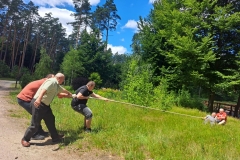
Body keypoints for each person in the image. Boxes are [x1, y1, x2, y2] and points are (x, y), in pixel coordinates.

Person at [21, 73, 73, 147]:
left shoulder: (56, 85)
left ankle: (55, 138)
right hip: (38, 104)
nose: (63, 81)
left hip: (45, 106)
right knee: (35, 124)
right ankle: (25, 139)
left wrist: (70, 94)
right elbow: (44, 89)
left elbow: (63, 90)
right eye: (63, 80)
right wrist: (39, 99)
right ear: (59, 78)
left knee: (51, 119)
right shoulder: (52, 81)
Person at [17, 74, 54, 140]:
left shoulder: (44, 82)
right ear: (48, 78)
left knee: (38, 114)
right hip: (24, 99)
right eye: (53, 78)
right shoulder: (45, 83)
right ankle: (34, 134)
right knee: (36, 115)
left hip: (26, 99)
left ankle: (40, 131)